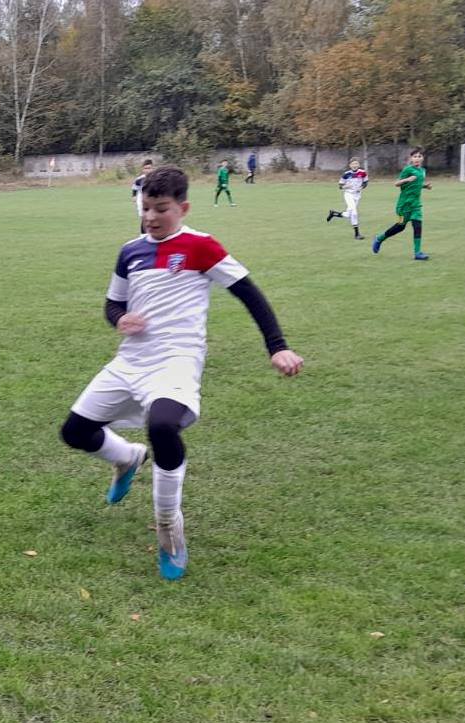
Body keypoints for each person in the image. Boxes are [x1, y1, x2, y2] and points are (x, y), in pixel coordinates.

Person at [58, 166, 304, 581]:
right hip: (131, 360)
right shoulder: (130, 251)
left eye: (161, 209)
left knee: (162, 426)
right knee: (75, 432)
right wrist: (120, 319)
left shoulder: (201, 247)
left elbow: (249, 294)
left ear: (183, 208)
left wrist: (277, 346)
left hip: (177, 359)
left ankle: (169, 528)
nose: (151, 217)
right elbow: (113, 305)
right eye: (146, 208)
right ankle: (127, 457)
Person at [372, 147, 431, 261]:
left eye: (419, 156)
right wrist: (407, 179)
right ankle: (379, 238)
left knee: (417, 226)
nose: (417, 158)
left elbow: (417, 184)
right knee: (400, 226)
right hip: (404, 206)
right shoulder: (407, 170)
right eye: (415, 156)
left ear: (422, 158)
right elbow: (396, 183)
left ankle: (417, 253)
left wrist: (425, 186)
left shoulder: (422, 171)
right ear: (411, 158)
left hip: (416, 205)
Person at [327, 158, 368, 240]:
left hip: (357, 195)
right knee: (354, 213)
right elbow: (340, 186)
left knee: (349, 214)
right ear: (350, 165)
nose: (354, 165)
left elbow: (365, 183)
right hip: (348, 194)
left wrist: (361, 188)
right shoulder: (346, 174)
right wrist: (346, 186)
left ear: (359, 165)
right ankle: (357, 234)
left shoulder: (363, 173)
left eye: (356, 163)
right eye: (353, 164)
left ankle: (333, 213)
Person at [130, 158, 155, 234]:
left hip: (153, 198)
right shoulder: (139, 179)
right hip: (142, 198)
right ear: (143, 169)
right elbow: (135, 188)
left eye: (149, 168)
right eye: (145, 168)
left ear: (152, 168)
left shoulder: (156, 178)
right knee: (144, 217)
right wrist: (134, 196)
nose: (147, 170)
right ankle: (143, 235)